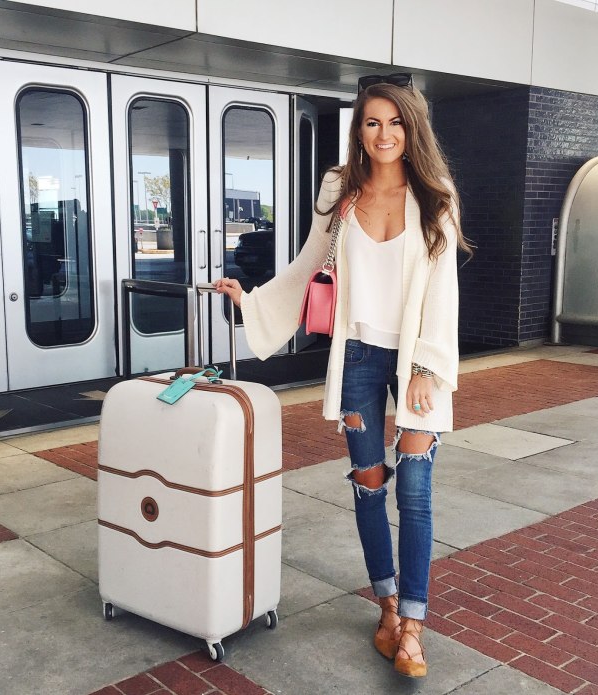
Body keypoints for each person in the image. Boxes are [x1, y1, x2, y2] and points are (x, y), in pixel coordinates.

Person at [215, 73, 473, 678]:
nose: (384, 134)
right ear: (359, 131)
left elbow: (444, 288)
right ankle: (387, 608)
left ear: (412, 129)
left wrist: (426, 367)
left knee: (415, 491)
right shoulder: (341, 190)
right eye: (373, 122)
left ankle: (413, 628)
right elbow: (310, 264)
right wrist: (252, 301)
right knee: (369, 483)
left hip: (417, 362)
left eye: (396, 122)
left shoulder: (436, 194)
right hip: (358, 357)